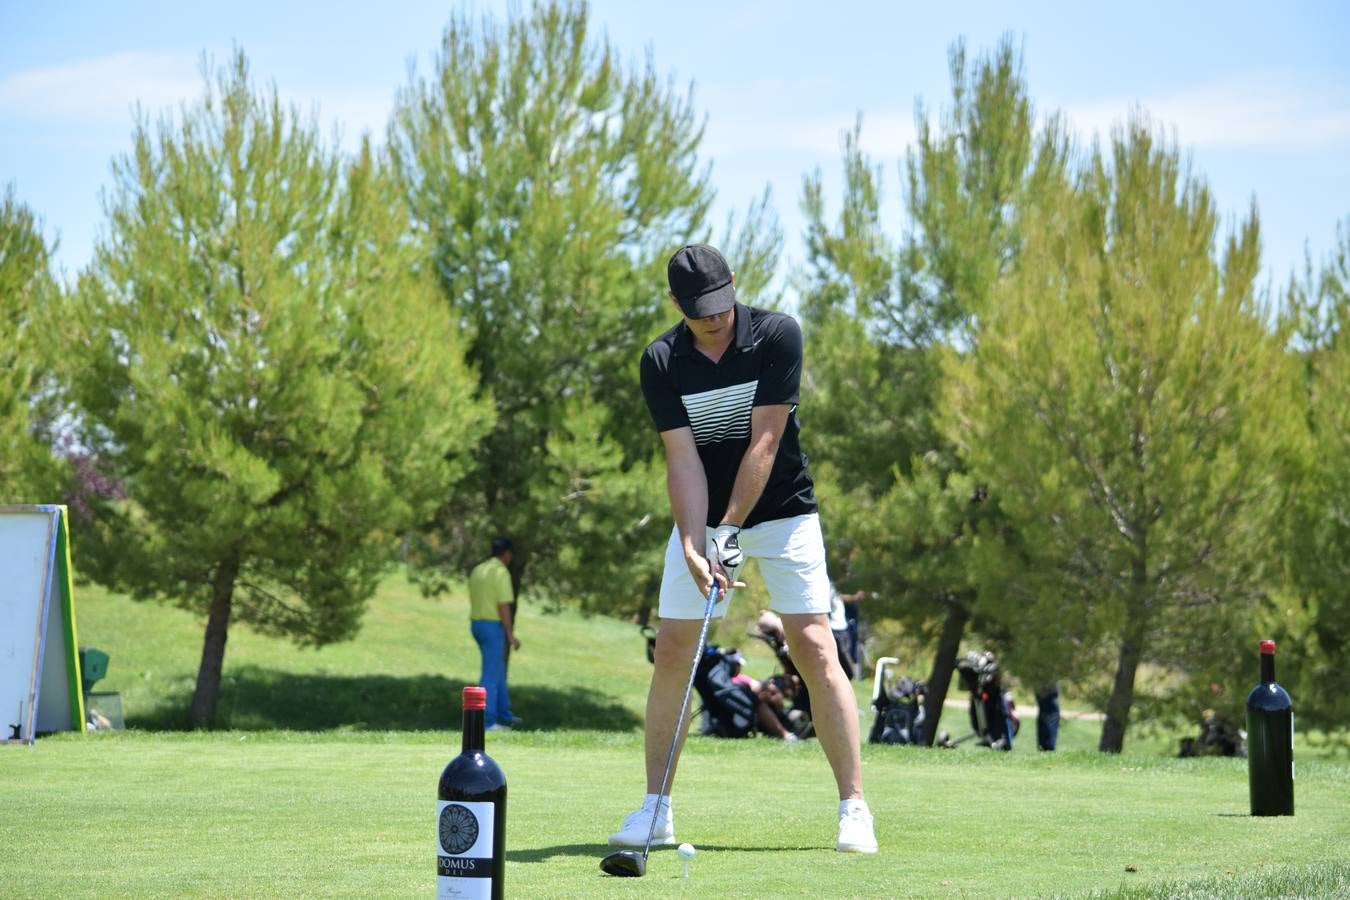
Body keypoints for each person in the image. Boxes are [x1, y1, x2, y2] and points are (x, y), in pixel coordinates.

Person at [608, 243, 878, 854]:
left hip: (783, 511)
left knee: (812, 645)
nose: (715, 319)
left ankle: (854, 807)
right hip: (704, 515)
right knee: (675, 647)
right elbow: (682, 457)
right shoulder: (662, 360)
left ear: (734, 284)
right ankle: (656, 809)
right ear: (675, 303)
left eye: (722, 304)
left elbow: (765, 441)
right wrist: (693, 539)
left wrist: (729, 525)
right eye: (700, 310)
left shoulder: (778, 335)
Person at [468, 536, 521, 731]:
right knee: (490, 675)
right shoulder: (500, 572)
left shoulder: (478, 570)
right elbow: (503, 605)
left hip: (476, 624)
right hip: (492, 626)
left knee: (497, 669)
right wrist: (510, 633)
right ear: (506, 554)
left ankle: (503, 715)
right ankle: (487, 722)